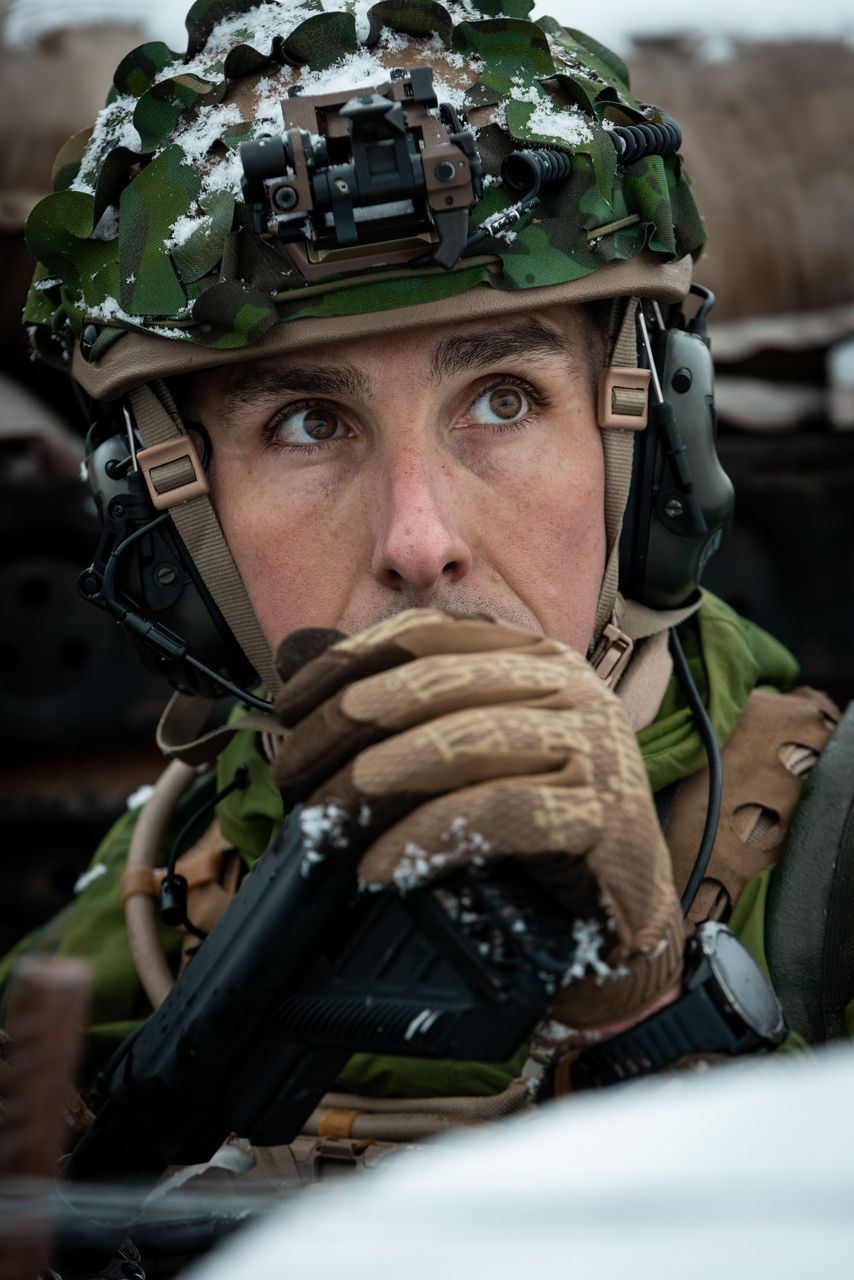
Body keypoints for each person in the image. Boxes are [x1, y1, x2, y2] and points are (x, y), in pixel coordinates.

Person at [1, 0, 850, 1216]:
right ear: (179, 533)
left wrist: (649, 1014)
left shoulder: (838, 873)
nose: (419, 542)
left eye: (502, 399)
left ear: (653, 445)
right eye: (307, 425)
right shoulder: (110, 939)